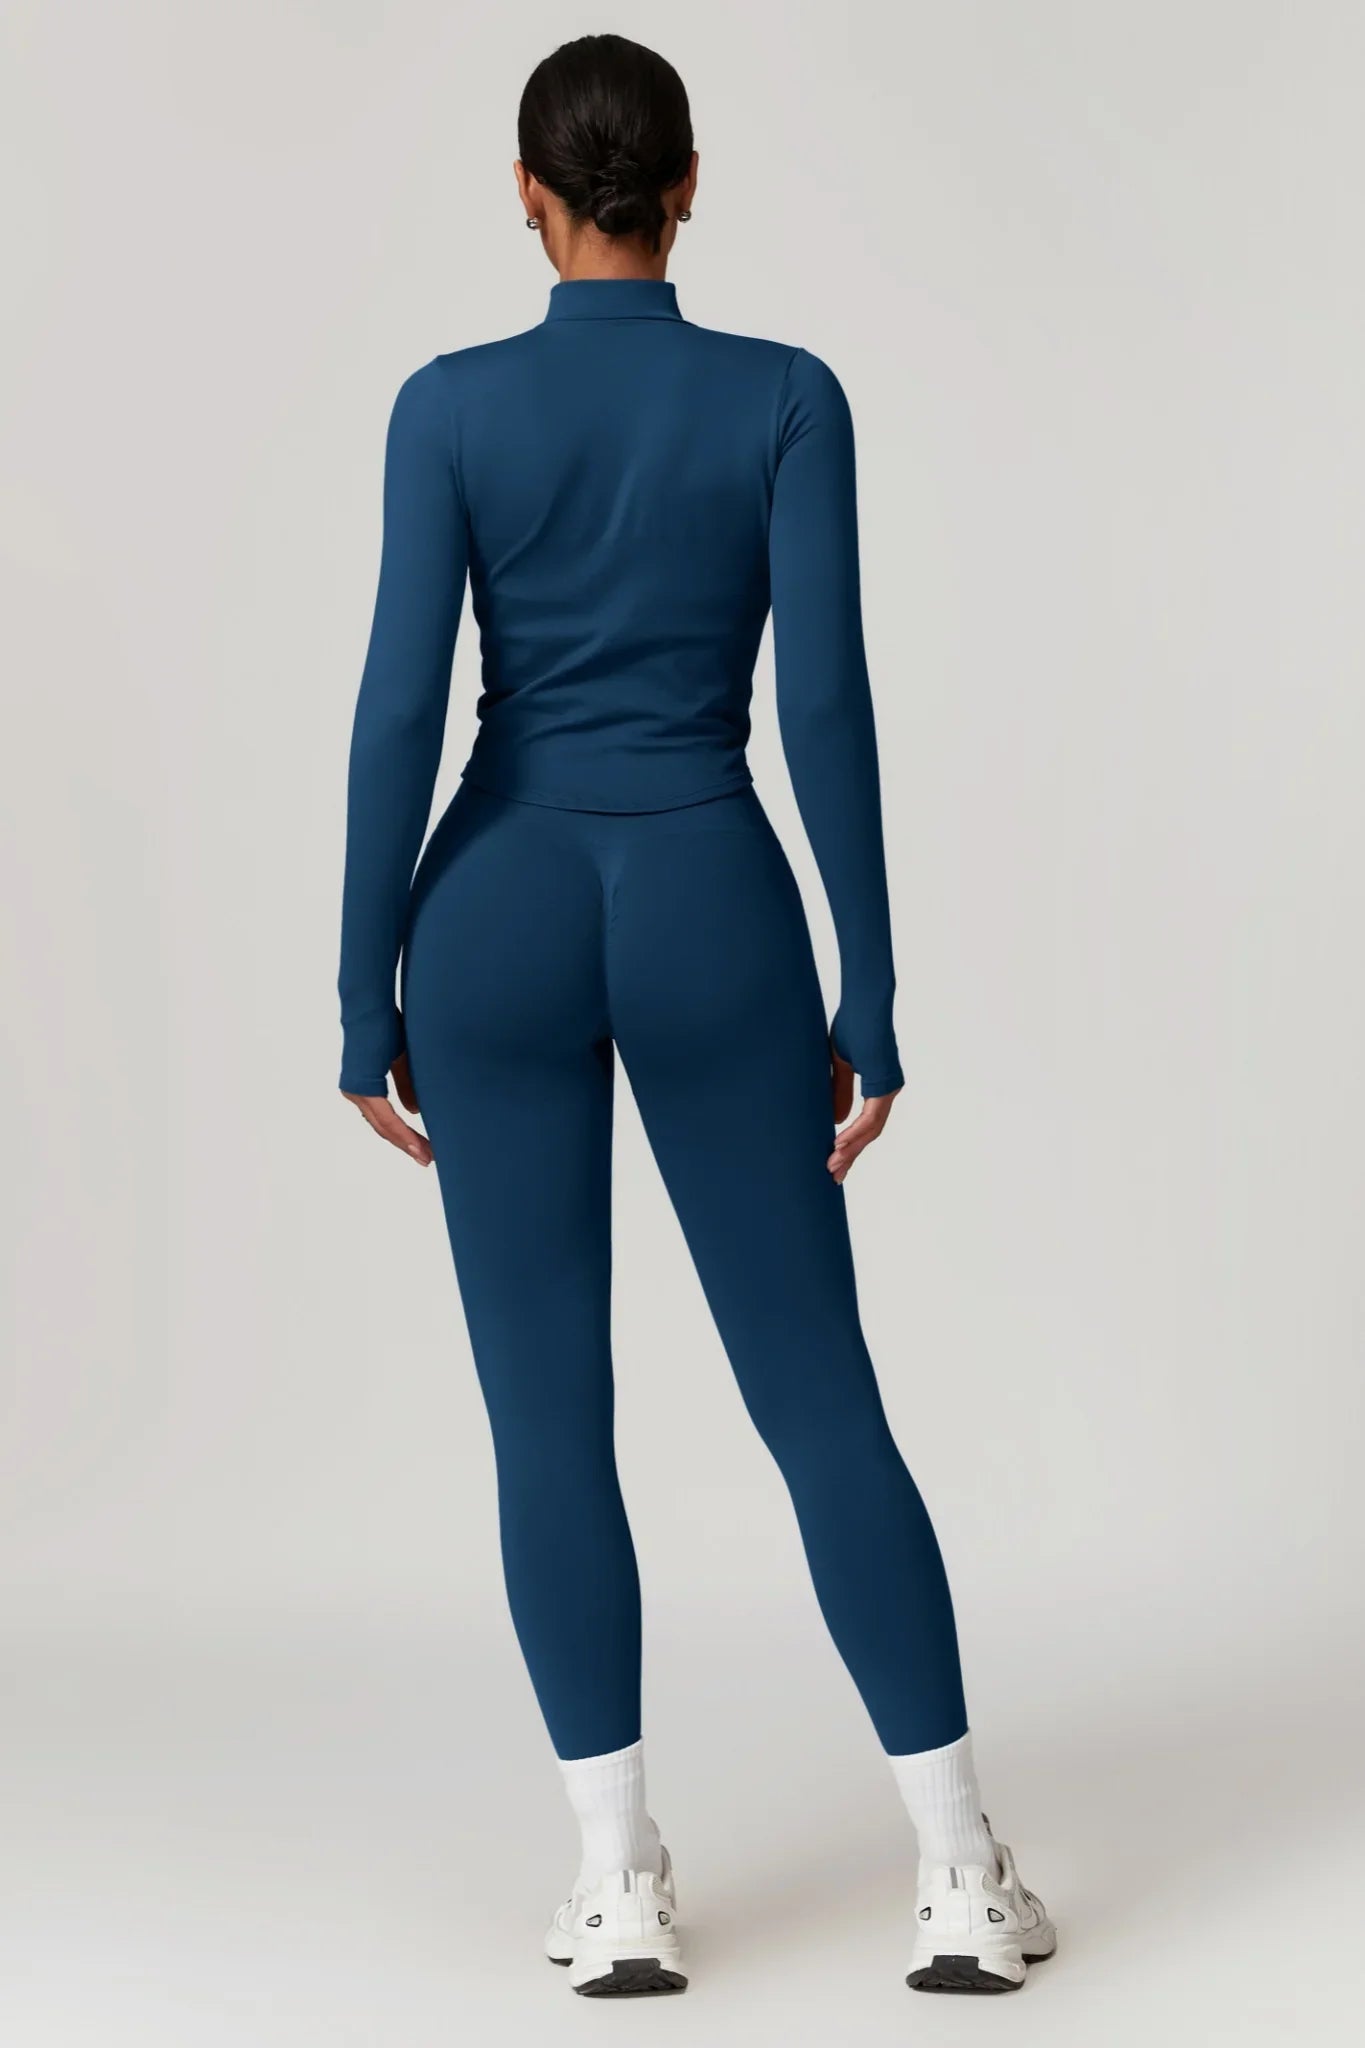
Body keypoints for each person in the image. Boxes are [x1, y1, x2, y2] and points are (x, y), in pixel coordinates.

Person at [337, 31, 1053, 1999]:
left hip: (490, 913)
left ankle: (615, 1886)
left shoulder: (445, 408)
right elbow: (819, 700)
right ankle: (957, 1875)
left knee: (546, 1411)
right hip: (708, 902)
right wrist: (868, 982)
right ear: (686, 182)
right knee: (815, 1392)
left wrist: (355, 985)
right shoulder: (784, 397)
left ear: (526, 193)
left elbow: (400, 707)